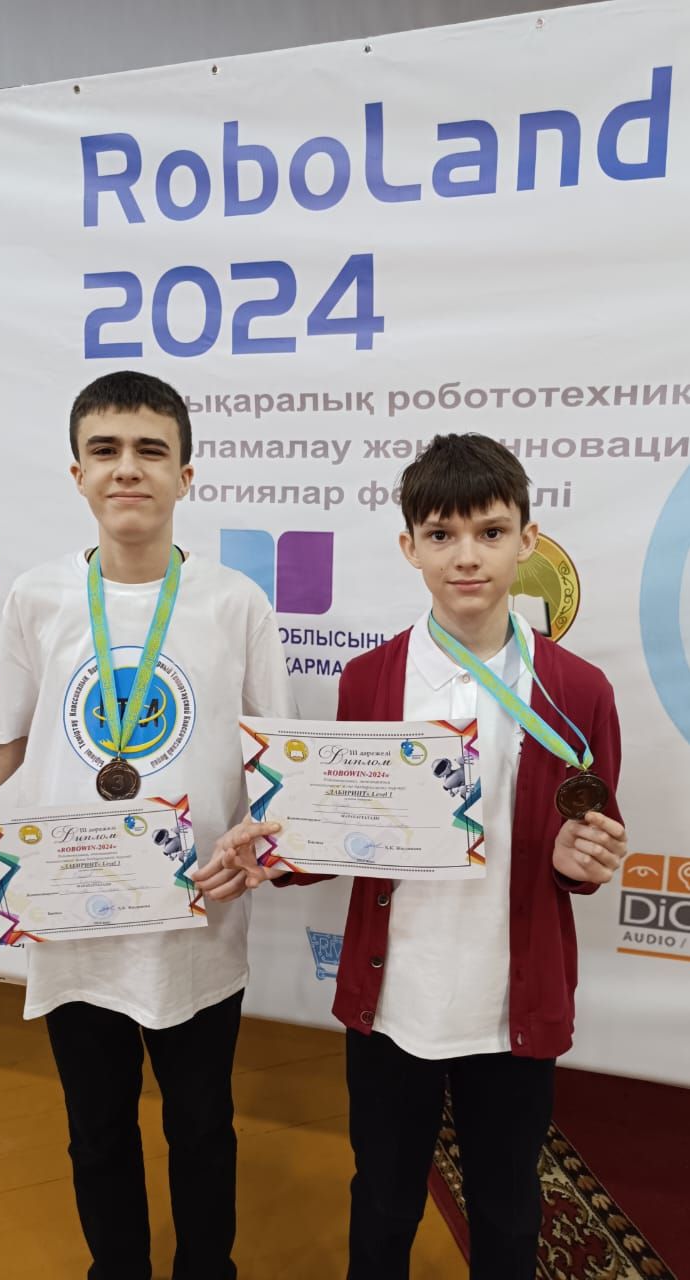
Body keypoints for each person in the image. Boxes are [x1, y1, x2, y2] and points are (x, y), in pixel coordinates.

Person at [198, 432, 628, 1280]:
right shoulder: (370, 679)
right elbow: (344, 825)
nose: (467, 556)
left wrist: (583, 862)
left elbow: (588, 838)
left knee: (507, 1206)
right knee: (385, 1198)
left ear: (528, 540)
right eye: (441, 534)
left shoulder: (578, 689)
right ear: (409, 547)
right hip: (394, 999)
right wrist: (277, 852)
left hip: (510, 1005)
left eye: (490, 532)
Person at [0, 369, 294, 1280]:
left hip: (196, 923)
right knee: (96, 1129)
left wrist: (259, 843)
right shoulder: (38, 597)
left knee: (203, 1126)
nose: (127, 468)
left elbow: (276, 768)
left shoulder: (234, 603)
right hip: (73, 921)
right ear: (76, 473)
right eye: (105, 450)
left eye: (152, 450)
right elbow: (4, 746)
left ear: (185, 475)